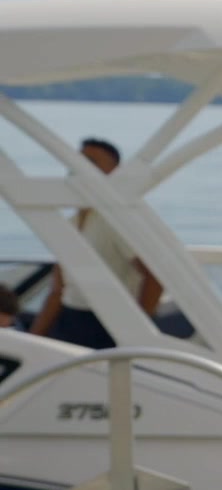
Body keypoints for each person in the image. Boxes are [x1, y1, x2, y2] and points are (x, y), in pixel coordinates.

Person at [28, 138, 163, 349]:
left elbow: (154, 277)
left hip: (108, 324)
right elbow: (58, 289)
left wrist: (138, 337)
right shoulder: (69, 224)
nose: (79, 169)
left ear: (114, 173)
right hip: (70, 319)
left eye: (91, 163)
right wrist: (34, 339)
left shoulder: (114, 223)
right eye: (77, 162)